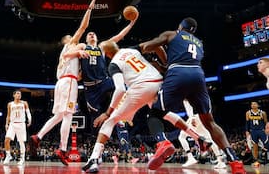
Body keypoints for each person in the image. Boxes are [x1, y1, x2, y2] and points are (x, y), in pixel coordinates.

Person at [139, 17, 246, 173]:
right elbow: (177, 62)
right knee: (210, 123)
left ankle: (163, 143)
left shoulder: (172, 34)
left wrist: (135, 49)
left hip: (178, 73)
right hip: (198, 75)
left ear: (180, 26)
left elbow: (148, 46)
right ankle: (235, 162)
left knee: (154, 114)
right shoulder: (199, 43)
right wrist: (163, 65)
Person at [29, 0, 97, 166]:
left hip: (63, 83)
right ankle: (62, 148)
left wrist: (83, 56)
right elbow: (83, 27)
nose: (75, 38)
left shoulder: (72, 56)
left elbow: (79, 70)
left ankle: (38, 136)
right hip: (68, 83)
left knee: (59, 115)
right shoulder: (69, 47)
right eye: (71, 37)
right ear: (67, 41)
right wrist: (90, 8)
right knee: (68, 115)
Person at [82, 40, 164, 172]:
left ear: (107, 54)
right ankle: (197, 138)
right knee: (162, 113)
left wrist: (108, 112)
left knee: (109, 122)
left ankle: (94, 160)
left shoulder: (114, 64)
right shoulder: (132, 49)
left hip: (140, 88)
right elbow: (157, 45)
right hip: (159, 82)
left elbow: (120, 90)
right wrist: (165, 63)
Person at [79, 7, 138, 159]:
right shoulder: (82, 47)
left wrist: (131, 24)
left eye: (93, 33)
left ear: (96, 38)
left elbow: (119, 36)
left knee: (123, 86)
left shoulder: (102, 47)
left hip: (104, 81)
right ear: (86, 39)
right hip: (90, 88)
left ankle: (126, 112)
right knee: (95, 121)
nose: (91, 34)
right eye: (89, 34)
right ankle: (96, 146)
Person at [179, 100, 226, 169]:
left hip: (195, 117)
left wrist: (192, 118)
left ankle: (190, 157)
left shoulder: (187, 93)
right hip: (201, 117)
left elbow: (191, 106)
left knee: (181, 137)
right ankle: (220, 161)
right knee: (209, 139)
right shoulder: (199, 93)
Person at [3, 90, 32, 165]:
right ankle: (8, 155)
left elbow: (28, 112)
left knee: (21, 142)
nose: (19, 95)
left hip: (21, 124)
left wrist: (29, 119)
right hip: (12, 124)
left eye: (20, 94)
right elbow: (8, 115)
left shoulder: (24, 103)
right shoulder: (10, 104)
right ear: (14, 95)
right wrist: (6, 124)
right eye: (17, 94)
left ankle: (22, 158)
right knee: (6, 140)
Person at [245, 101, 267, 167]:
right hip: (253, 131)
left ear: (258, 105)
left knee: (266, 145)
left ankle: (265, 158)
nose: (253, 105)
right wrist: (247, 131)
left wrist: (266, 129)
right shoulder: (248, 113)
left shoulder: (263, 113)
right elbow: (247, 123)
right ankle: (256, 161)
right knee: (255, 147)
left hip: (261, 130)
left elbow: (266, 122)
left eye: (254, 104)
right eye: (252, 104)